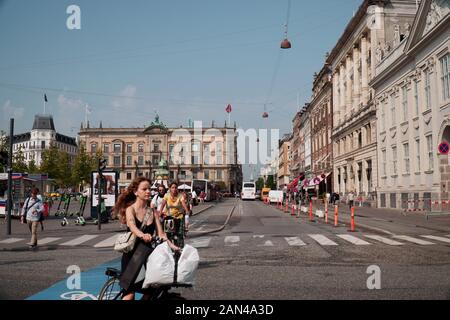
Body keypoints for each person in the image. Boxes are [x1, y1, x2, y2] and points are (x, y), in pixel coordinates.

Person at [114, 177, 179, 300]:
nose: (148, 191)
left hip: (147, 255)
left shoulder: (152, 211)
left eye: (149, 188)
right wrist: (142, 235)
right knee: (130, 293)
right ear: (136, 192)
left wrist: (173, 246)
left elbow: (161, 234)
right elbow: (132, 225)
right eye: (144, 189)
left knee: (153, 289)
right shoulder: (130, 209)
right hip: (132, 256)